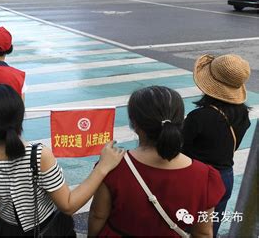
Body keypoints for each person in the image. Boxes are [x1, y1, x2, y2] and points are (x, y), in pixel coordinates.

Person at [0, 84, 125, 236]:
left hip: (4, 230)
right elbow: (68, 205)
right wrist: (102, 167)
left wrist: (3, 193)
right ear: (21, 114)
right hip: (45, 230)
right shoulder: (38, 154)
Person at [88, 86, 225, 237]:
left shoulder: (113, 166)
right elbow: (203, 232)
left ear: (134, 124)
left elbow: (98, 215)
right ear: (180, 122)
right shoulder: (205, 176)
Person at [183, 54, 251, 236]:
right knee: (209, 229)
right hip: (224, 178)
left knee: (184, 226)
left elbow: (178, 148)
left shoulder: (199, 117)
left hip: (196, 178)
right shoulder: (243, 116)